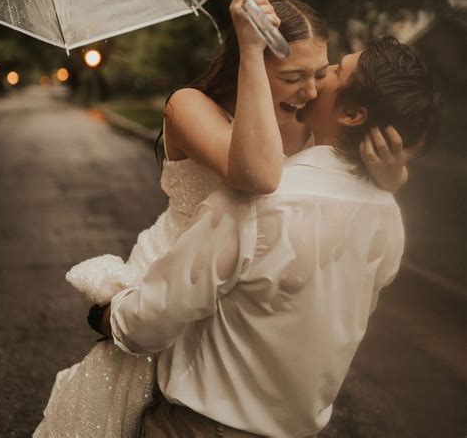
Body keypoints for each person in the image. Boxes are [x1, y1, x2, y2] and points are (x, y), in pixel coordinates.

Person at [34, 0, 408, 438]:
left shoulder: (303, 119)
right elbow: (256, 176)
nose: (310, 92)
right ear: (249, 63)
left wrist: (387, 180)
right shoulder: (189, 106)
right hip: (171, 282)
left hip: (240, 291)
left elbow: (326, 187)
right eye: (293, 76)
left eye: (319, 73)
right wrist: (251, 48)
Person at [108, 36, 438, 438]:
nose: (319, 78)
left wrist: (109, 314)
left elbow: (152, 320)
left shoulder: (258, 200)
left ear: (352, 114)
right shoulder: (388, 215)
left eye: (334, 71)